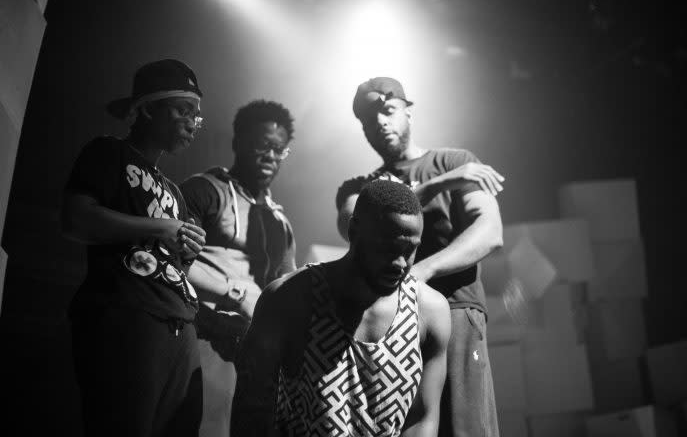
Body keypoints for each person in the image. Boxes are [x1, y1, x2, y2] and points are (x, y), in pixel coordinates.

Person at [336, 77, 505, 437]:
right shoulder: (360, 188)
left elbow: (490, 232)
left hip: (457, 310)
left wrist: (422, 271)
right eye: (368, 120)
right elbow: (352, 222)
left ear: (408, 111)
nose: (379, 122)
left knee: (466, 428)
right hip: (391, 322)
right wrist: (441, 185)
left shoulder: (455, 161)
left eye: (388, 111)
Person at [231, 179, 452, 437]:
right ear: (354, 231)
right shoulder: (289, 298)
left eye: (410, 249)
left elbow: (422, 418)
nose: (400, 263)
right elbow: (252, 410)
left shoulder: (430, 311)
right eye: (388, 248)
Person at [61, 59, 207, 436]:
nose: (192, 121)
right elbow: (77, 220)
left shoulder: (175, 190)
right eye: (183, 109)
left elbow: (169, 258)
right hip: (128, 316)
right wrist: (163, 227)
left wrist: (186, 247)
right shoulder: (109, 152)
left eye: (197, 114)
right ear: (146, 109)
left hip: (180, 326)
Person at [180, 100, 297, 437]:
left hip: (251, 351)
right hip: (200, 335)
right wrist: (237, 292)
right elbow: (169, 261)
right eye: (263, 145)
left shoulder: (280, 221)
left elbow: (286, 288)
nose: (270, 157)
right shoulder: (205, 189)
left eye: (280, 149)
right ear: (238, 142)